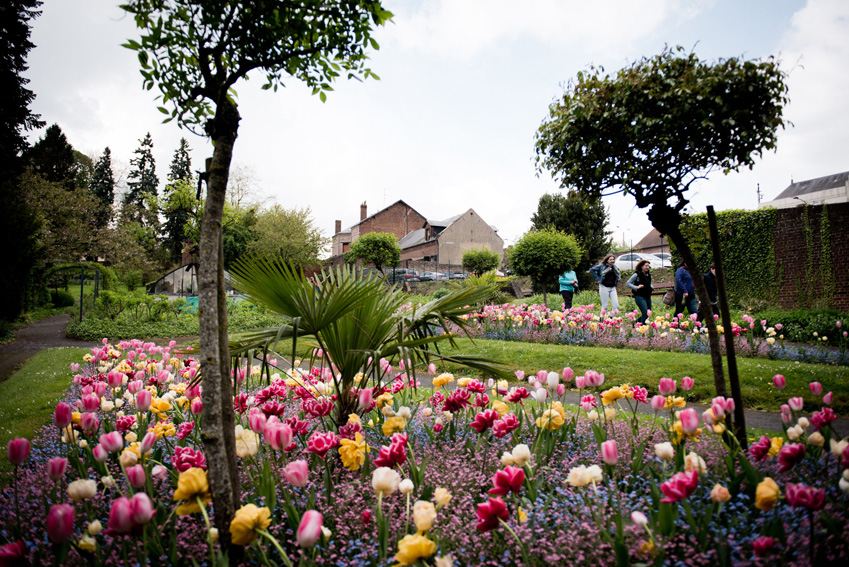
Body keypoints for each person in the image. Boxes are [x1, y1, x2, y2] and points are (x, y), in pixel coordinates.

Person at [626, 259, 653, 324]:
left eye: (648, 266)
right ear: (641, 266)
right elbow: (628, 283)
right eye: (646, 266)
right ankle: (643, 327)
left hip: (647, 295)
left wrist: (651, 287)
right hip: (639, 296)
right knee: (645, 312)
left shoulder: (649, 275)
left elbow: (650, 283)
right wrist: (636, 287)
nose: (647, 267)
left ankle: (636, 322)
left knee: (648, 313)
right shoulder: (636, 275)